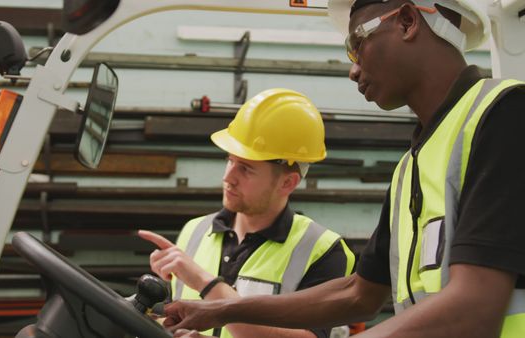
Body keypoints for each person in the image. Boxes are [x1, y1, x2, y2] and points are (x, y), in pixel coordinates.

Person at [162, 0, 525, 337]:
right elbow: (359, 292)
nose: (353, 70)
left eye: (356, 44)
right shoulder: (411, 164)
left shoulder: (504, 113)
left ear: (408, 21)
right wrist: (221, 310)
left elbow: (475, 304)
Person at [138, 88, 356, 338]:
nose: (228, 177)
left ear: (288, 183)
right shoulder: (194, 231)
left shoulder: (323, 250)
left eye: (246, 168)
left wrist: (203, 282)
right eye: (230, 160)